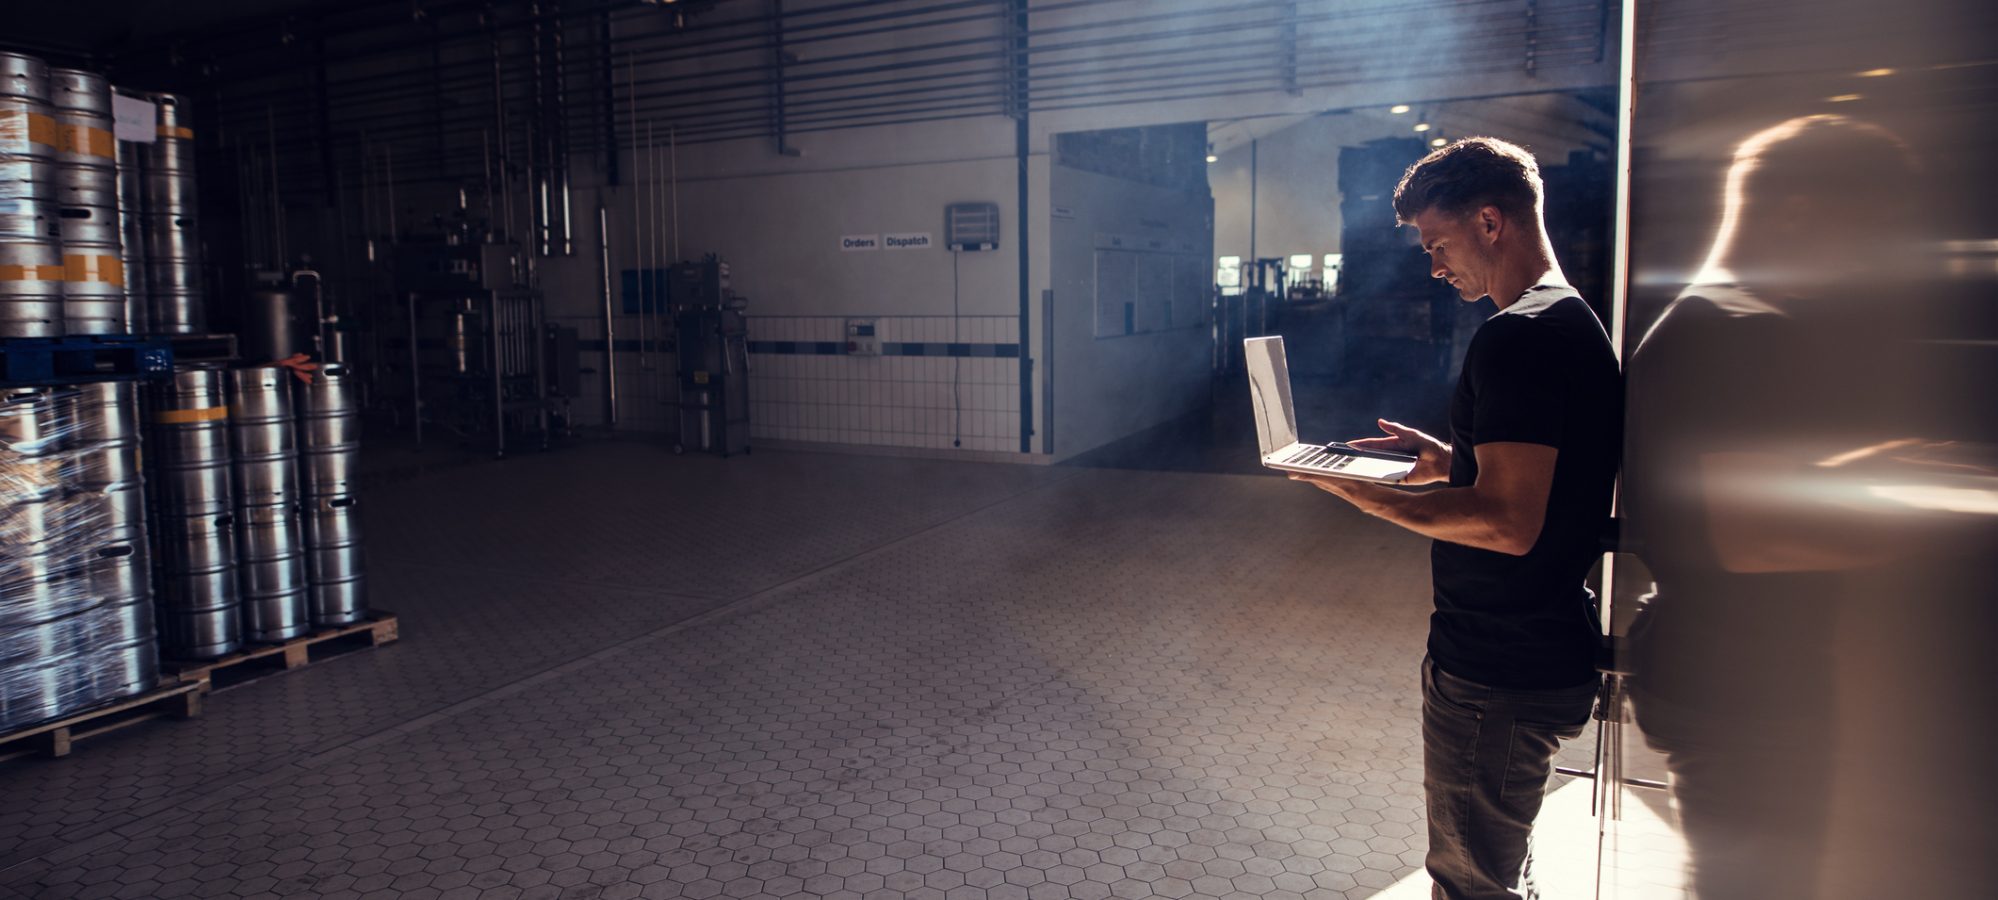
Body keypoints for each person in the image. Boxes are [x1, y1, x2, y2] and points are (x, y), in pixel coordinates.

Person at [1620, 114, 1997, 899]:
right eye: (1873, 226)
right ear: (1799, 210)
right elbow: (1753, 534)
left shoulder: (1735, 321)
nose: (1873, 253)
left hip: (1734, 676)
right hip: (1734, 687)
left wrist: (1877, 467)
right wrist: (1950, 523)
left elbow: (1751, 481)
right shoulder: (1724, 332)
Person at [1290, 137, 1621, 899]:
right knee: (1497, 868)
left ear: (1491, 221)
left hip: (1496, 670)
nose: (1436, 267)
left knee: (1472, 885)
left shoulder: (1517, 339)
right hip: (1535, 650)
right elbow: (1549, 471)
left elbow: (1508, 523)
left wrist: (1357, 491)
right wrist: (1452, 457)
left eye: (1439, 244)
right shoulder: (1566, 320)